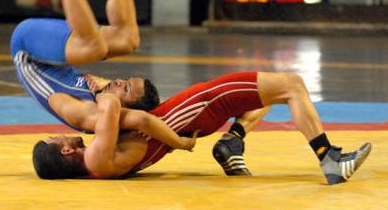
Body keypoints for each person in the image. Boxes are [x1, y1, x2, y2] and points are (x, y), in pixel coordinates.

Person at [11, 0, 197, 155]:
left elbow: (142, 121)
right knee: (128, 40)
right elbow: (143, 120)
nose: (118, 81)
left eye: (126, 88)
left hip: (28, 50)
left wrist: (179, 143)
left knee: (95, 47)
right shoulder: (108, 104)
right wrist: (175, 140)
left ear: (124, 107)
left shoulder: (86, 114)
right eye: (125, 81)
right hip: (50, 52)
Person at [34, 71, 372, 185]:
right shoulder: (97, 158)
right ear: (66, 151)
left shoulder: (102, 158)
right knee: (291, 85)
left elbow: (139, 119)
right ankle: (330, 160)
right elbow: (113, 106)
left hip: (192, 114)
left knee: (269, 94)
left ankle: (232, 142)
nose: (61, 132)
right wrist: (100, 90)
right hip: (195, 109)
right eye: (56, 137)